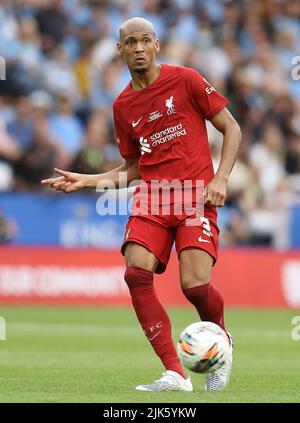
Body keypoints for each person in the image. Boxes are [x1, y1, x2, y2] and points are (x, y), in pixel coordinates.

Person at [42, 17, 241, 392]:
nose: (137, 48)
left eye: (144, 40)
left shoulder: (187, 80)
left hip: (195, 195)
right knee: (135, 274)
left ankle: (223, 340)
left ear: (157, 45)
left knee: (195, 287)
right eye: (129, 42)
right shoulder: (122, 105)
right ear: (119, 50)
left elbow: (232, 127)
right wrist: (86, 181)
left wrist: (221, 178)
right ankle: (175, 373)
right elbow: (134, 167)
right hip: (152, 198)